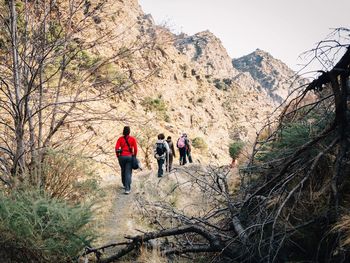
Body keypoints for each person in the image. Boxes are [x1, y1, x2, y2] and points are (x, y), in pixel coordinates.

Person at [115, 126, 138, 194]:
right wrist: (134, 156)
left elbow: (116, 148)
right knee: (128, 172)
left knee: (123, 170)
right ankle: (127, 189)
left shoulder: (120, 139)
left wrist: (118, 156)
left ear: (123, 131)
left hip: (121, 157)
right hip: (129, 157)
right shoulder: (132, 139)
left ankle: (124, 184)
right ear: (129, 132)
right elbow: (135, 149)